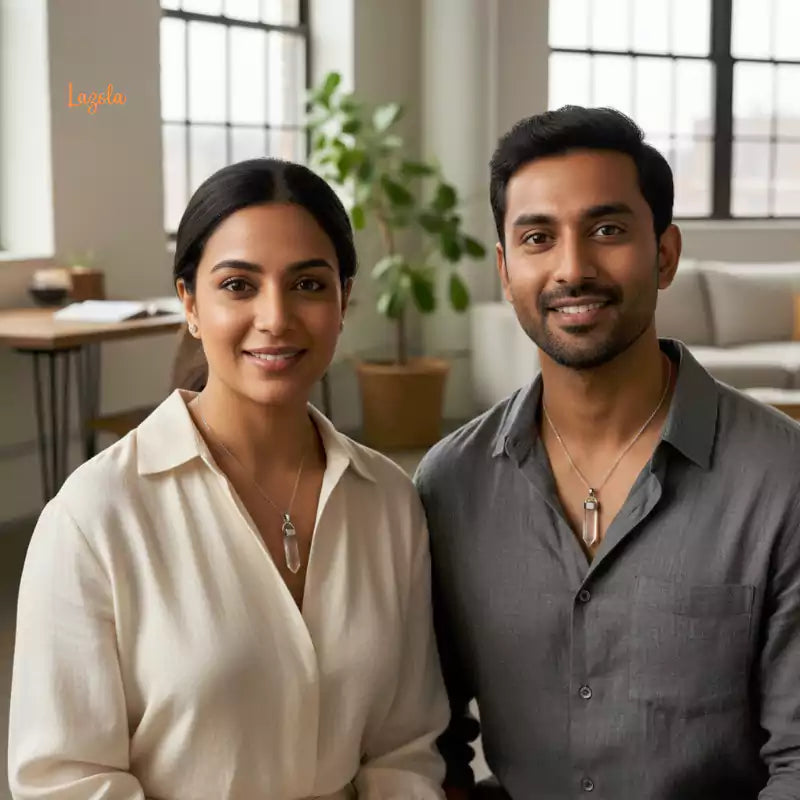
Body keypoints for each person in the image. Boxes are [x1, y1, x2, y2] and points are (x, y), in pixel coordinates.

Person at [9, 158, 449, 800]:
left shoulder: (387, 500)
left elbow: (405, 749)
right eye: (239, 285)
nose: (275, 317)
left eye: (308, 284)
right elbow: (64, 782)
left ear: (344, 300)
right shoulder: (94, 517)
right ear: (190, 302)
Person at [414, 106, 800, 799]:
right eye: (538, 237)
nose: (573, 267)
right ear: (505, 271)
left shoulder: (782, 479)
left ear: (665, 253)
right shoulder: (450, 483)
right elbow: (431, 737)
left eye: (608, 229)